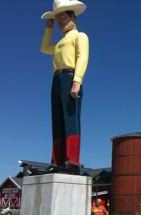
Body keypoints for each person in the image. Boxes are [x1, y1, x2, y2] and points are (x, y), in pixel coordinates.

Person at [40, 0, 89, 173]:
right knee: (57, 120)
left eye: (63, 17)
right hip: (56, 78)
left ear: (73, 17)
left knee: (70, 119)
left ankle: (72, 161)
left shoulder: (80, 36)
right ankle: (58, 160)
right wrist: (49, 28)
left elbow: (82, 58)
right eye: (58, 18)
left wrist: (77, 81)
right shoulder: (60, 42)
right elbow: (45, 48)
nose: (61, 22)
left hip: (70, 76)